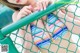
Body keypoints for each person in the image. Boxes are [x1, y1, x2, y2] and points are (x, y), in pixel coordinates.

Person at [0, 0, 80, 53]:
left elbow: (78, 29)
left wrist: (56, 10)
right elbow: (31, 51)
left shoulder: (50, 0)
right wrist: (24, 25)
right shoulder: (17, 15)